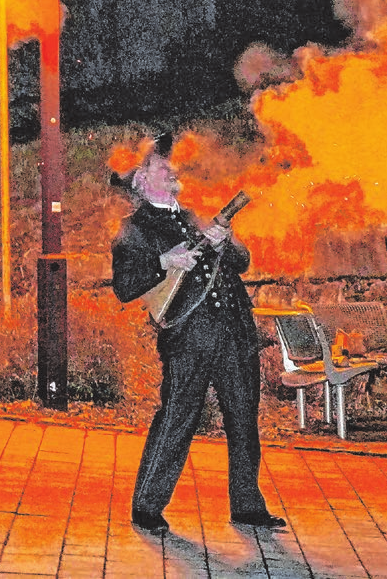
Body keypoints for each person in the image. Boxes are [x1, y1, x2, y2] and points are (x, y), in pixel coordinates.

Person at [110, 135, 284, 535]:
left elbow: (241, 262)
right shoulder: (134, 230)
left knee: (243, 419)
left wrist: (225, 242)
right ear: (140, 179)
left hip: (234, 333)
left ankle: (246, 503)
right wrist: (163, 260)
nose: (169, 168)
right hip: (188, 338)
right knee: (177, 419)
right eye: (158, 164)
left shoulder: (196, 216)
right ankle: (147, 506)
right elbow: (124, 286)